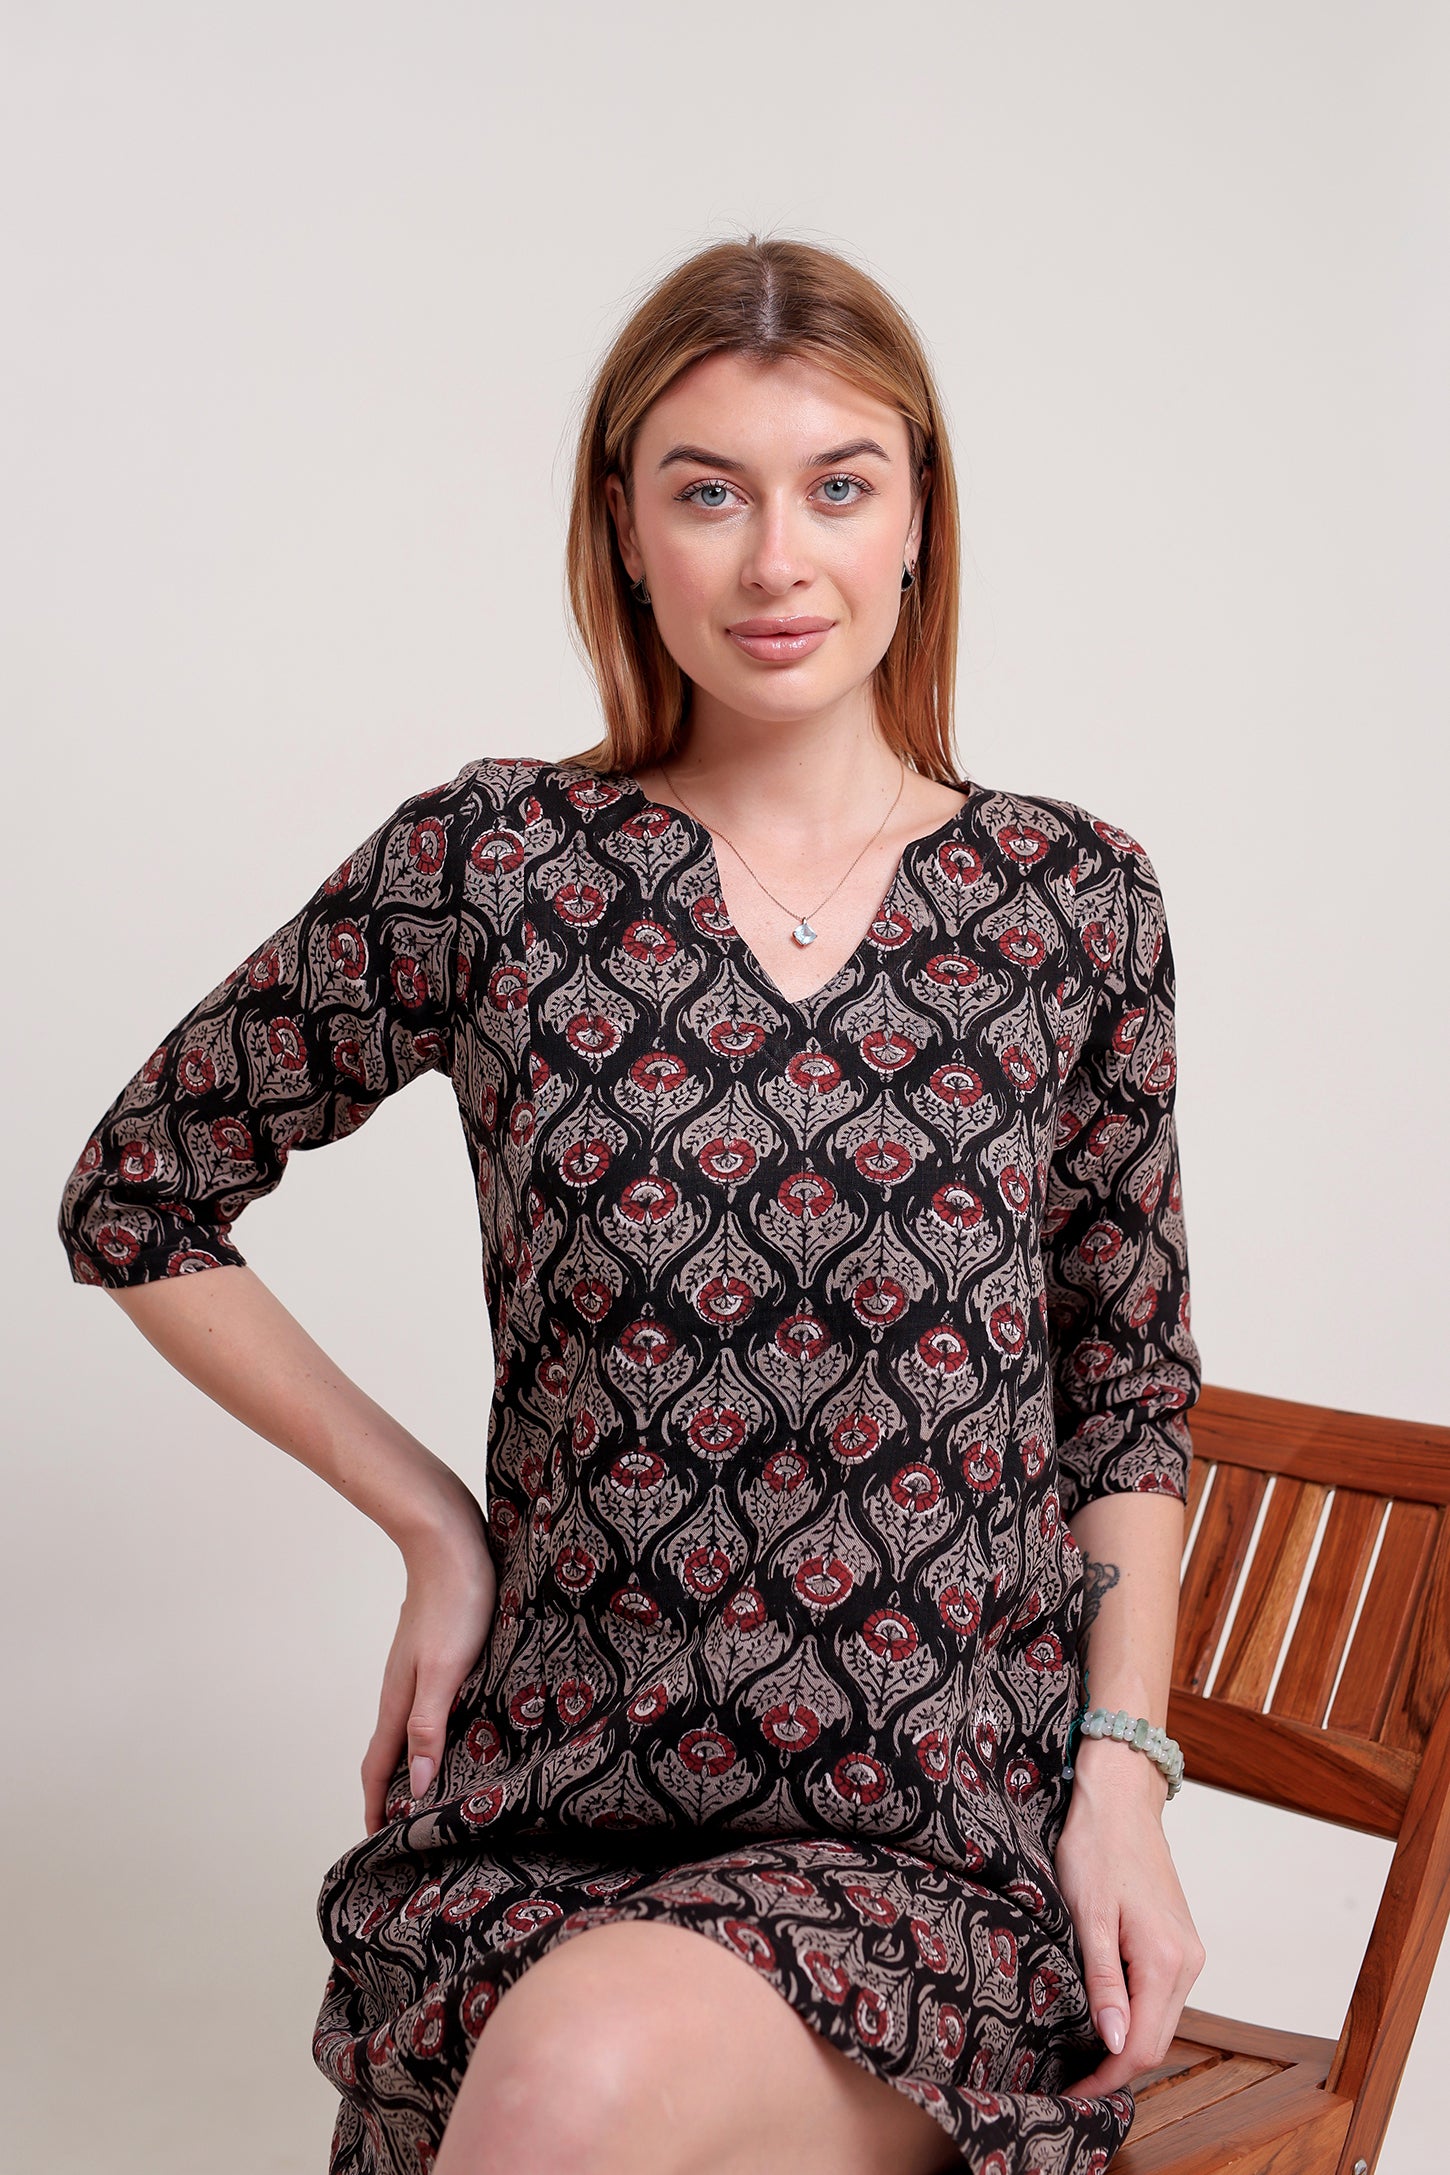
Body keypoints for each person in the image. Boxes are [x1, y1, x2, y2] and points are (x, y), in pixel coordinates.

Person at [57, 233, 1206, 2175]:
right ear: (623, 522)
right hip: (558, 1802)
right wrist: (432, 1515)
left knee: (576, 2079)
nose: (775, 559)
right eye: (708, 490)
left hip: (922, 1833)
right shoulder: (492, 861)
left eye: (837, 483)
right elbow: (139, 1190)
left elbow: (1122, 1395)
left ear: (917, 512)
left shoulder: (1062, 901)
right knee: (564, 2052)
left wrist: (1121, 1772)